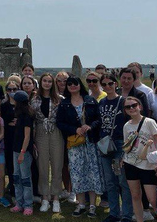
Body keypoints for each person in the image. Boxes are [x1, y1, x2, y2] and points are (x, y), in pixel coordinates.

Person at [56, 75, 103, 219]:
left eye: (75, 83)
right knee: (77, 172)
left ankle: (93, 205)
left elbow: (98, 119)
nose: (72, 86)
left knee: (92, 171)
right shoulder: (64, 104)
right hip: (75, 144)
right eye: (69, 84)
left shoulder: (90, 100)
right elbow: (60, 122)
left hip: (90, 142)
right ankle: (81, 203)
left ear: (79, 85)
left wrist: (90, 126)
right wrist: (74, 129)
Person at [97, 73, 133, 222]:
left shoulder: (123, 102)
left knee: (123, 181)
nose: (107, 87)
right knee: (110, 181)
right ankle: (114, 213)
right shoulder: (102, 102)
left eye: (110, 83)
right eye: (104, 84)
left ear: (115, 84)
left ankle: (126, 214)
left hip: (119, 143)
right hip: (105, 144)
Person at [122, 96, 157, 222]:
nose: (131, 108)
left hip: (148, 164)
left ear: (140, 106)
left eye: (134, 105)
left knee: (152, 198)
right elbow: (126, 145)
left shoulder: (149, 122)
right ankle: (139, 219)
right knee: (135, 195)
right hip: (130, 163)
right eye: (128, 107)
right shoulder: (126, 126)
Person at [32, 72, 64, 214]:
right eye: (44, 81)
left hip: (56, 131)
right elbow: (31, 118)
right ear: (41, 82)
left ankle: (56, 197)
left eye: (49, 81)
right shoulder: (34, 99)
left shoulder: (59, 99)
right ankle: (45, 197)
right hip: (40, 131)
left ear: (53, 84)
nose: (47, 83)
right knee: (42, 165)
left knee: (57, 164)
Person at [10, 90, 35, 216]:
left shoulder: (26, 116)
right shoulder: (19, 115)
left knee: (25, 178)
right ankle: (19, 203)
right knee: (16, 177)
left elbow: (27, 136)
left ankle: (28, 204)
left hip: (23, 151)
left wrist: (22, 152)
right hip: (16, 149)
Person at [53, 71, 74, 202]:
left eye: (65, 81)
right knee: (62, 164)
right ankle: (67, 189)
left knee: (73, 164)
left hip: (71, 132)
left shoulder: (72, 94)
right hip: (57, 133)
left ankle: (74, 190)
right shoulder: (53, 96)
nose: (62, 83)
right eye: (59, 81)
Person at [0, 76, 21, 198]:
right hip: (8, 137)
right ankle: (13, 191)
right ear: (6, 90)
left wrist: (18, 122)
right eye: (9, 89)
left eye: (15, 89)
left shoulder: (22, 103)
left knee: (21, 165)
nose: (12, 91)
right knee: (11, 165)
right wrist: (9, 123)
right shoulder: (3, 104)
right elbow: (1, 121)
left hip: (20, 136)